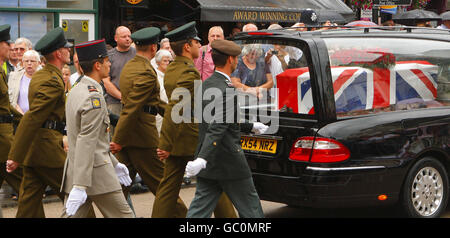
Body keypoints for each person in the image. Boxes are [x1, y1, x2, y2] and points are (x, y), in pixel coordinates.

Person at [152, 21, 237, 218]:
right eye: (196, 42)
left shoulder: (173, 68)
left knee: (168, 188)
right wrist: (164, 143)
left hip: (178, 137)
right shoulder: (189, 71)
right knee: (214, 181)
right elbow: (177, 107)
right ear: (187, 46)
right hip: (191, 137)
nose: (200, 45)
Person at [5, 27, 83, 218]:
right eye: (66, 48)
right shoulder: (51, 79)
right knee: (77, 199)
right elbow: (33, 117)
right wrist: (15, 155)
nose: (69, 51)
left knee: (28, 206)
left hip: (36, 150)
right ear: (58, 53)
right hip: (47, 151)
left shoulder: (44, 75)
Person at [109, 27, 186, 217]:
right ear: (153, 47)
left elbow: (150, 101)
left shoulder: (131, 66)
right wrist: (118, 139)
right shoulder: (145, 70)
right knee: (164, 186)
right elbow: (133, 106)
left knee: (119, 189)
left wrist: (173, 113)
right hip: (141, 136)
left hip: (130, 136)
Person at [186, 39, 267, 218]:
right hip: (228, 160)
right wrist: (202, 158)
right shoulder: (227, 89)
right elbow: (218, 126)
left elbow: (219, 119)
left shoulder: (206, 85)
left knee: (199, 211)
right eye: (236, 58)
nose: (237, 61)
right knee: (251, 210)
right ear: (231, 60)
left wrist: (250, 125)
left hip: (210, 161)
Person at [61, 39, 134, 218]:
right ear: (97, 65)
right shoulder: (93, 97)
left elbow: (92, 140)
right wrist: (80, 185)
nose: (109, 63)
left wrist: (115, 164)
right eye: (106, 60)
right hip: (96, 173)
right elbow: (87, 140)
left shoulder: (77, 90)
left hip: (79, 170)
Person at [0, 24, 23, 218]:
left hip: (5, 134)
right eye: (7, 44)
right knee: (26, 182)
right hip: (3, 138)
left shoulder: (2, 70)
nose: (11, 47)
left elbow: (6, 105)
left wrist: (26, 120)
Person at [102, 26, 136, 119]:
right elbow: (106, 81)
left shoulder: (137, 54)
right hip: (114, 103)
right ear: (116, 38)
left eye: (129, 36)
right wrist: (122, 97)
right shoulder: (109, 56)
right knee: (115, 132)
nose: (128, 39)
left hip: (135, 102)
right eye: (124, 36)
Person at [8, 50, 41, 115]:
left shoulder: (44, 78)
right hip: (18, 116)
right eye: (26, 61)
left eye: (32, 61)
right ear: (22, 63)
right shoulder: (14, 76)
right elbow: (11, 98)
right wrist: (22, 114)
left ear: (38, 63)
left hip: (37, 117)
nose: (29, 63)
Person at [153, 49, 171, 133]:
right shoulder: (154, 76)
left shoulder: (171, 75)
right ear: (158, 62)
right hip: (158, 112)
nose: (167, 63)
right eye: (165, 60)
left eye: (169, 61)